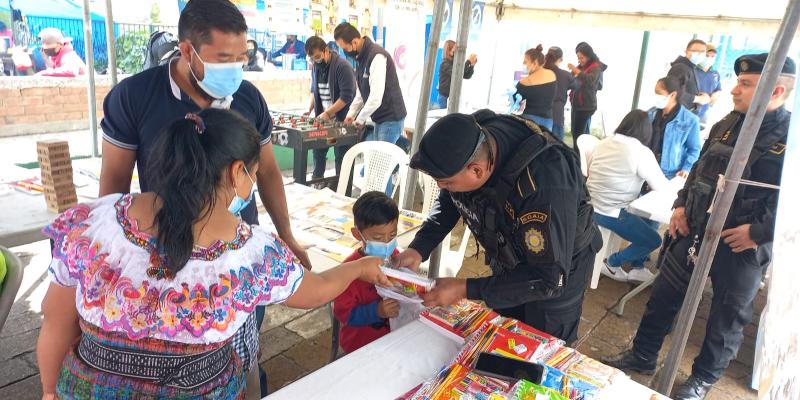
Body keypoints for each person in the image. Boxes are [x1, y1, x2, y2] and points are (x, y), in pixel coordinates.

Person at [36, 109, 388, 399]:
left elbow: (56, 320)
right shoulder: (253, 254)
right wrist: (358, 268)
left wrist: (50, 392)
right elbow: (318, 291)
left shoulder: (95, 222)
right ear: (237, 172)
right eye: (253, 174)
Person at [97, 0, 310, 395]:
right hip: (168, 251)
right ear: (188, 50)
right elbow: (113, 183)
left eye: (242, 57)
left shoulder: (249, 98)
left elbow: (267, 170)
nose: (236, 68)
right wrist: (113, 255)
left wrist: (287, 235)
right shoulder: (134, 96)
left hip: (236, 249)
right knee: (175, 352)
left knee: (244, 344)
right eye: (223, 58)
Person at [603, 53, 795, 400]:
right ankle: (642, 355)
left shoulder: (792, 140)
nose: (734, 90)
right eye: (738, 82)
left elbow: (793, 203)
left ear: (777, 90)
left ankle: (701, 380)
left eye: (746, 84)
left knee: (726, 319)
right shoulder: (727, 123)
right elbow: (698, 169)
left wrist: (759, 233)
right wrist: (679, 206)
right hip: (695, 229)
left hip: (741, 244)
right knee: (663, 297)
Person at [393, 110, 602, 344]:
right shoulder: (472, 139)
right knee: (505, 334)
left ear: (477, 170)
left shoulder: (544, 182)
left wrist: (465, 288)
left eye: (447, 182)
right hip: (511, 253)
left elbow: (548, 279)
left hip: (557, 265)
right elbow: (451, 200)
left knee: (542, 344)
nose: (442, 187)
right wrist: (418, 248)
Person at [586, 110, 670, 283]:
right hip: (612, 212)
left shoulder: (604, 142)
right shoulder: (641, 152)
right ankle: (612, 262)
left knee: (648, 220)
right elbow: (662, 187)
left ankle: (637, 265)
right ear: (646, 131)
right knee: (653, 240)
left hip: (588, 206)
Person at [333, 191, 401, 353]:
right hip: (360, 346)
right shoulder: (349, 271)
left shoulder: (394, 256)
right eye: (378, 237)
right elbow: (344, 314)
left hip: (391, 340)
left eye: (392, 235)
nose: (387, 243)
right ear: (357, 234)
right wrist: (377, 311)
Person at [334, 23, 407, 145]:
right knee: (377, 154)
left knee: (380, 156)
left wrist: (359, 120)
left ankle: (404, 148)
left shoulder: (376, 56)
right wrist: (351, 114)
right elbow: (361, 92)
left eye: (345, 48)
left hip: (391, 119)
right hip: (379, 118)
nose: (345, 52)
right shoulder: (361, 57)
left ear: (355, 42)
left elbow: (375, 97)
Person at [304, 36, 357, 186]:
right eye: (312, 59)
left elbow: (346, 97)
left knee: (342, 158)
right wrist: (309, 109)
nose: (315, 61)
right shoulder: (316, 67)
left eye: (317, 57)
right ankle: (317, 185)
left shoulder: (343, 67)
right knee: (318, 153)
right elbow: (314, 90)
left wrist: (328, 113)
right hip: (324, 122)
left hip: (342, 122)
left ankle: (342, 189)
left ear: (326, 50)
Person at [648, 76, 702, 179]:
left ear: (673, 95)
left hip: (669, 174)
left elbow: (694, 149)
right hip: (646, 168)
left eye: (659, 93)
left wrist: (686, 168)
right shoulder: (651, 114)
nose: (655, 96)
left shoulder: (690, 120)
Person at [567, 42, 603, 151]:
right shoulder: (582, 66)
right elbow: (574, 80)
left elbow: (590, 80)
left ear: (588, 56)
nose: (579, 60)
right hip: (577, 104)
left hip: (586, 106)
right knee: (577, 132)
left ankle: (578, 156)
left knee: (579, 135)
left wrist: (576, 71)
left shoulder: (596, 67)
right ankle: (582, 154)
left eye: (581, 58)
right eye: (578, 58)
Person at [516, 45, 557, 131]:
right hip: (548, 121)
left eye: (525, 62)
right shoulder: (552, 75)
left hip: (529, 120)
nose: (523, 64)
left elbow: (516, 100)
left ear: (534, 63)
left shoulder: (525, 81)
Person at [668, 39, 712, 114]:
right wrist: (698, 99)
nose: (699, 54)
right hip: (678, 115)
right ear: (686, 51)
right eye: (695, 51)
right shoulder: (680, 68)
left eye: (702, 52)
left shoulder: (691, 67)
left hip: (687, 113)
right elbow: (672, 92)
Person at [434, 39, 477, 109]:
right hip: (445, 98)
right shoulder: (445, 64)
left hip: (451, 97)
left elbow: (466, 75)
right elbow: (457, 74)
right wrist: (468, 61)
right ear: (449, 51)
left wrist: (472, 65)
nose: (457, 52)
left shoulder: (453, 63)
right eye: (455, 50)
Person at [545, 46, 574, 141]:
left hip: (540, 115)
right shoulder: (565, 75)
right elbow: (577, 85)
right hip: (557, 114)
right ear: (561, 59)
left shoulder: (540, 72)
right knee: (556, 145)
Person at [695, 44, 723, 126]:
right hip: (690, 111)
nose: (709, 59)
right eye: (707, 56)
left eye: (712, 56)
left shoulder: (715, 73)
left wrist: (717, 94)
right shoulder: (692, 71)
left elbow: (718, 88)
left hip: (704, 112)